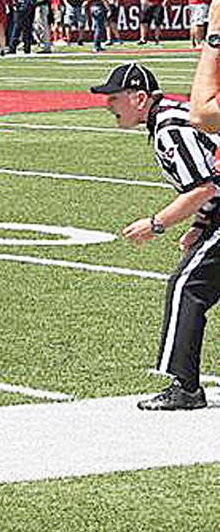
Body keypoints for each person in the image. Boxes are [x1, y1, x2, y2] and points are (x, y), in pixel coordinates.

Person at [91, 63, 220, 411]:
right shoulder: (169, 118)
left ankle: (186, 388)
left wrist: (157, 223)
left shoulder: (168, 127)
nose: (108, 105)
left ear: (139, 98)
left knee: (186, 287)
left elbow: (204, 186)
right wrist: (200, 225)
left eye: (114, 98)